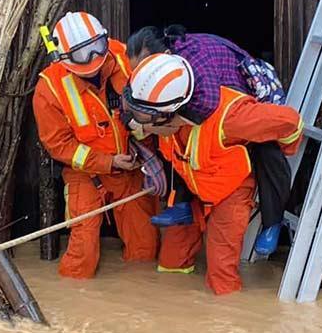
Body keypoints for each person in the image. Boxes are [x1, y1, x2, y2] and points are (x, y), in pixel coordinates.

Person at [125, 53, 303, 295]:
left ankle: (227, 324)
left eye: (146, 120)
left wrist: (280, 153)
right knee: (171, 262)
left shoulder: (232, 118)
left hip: (230, 192)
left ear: (173, 112)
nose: (142, 126)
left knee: (221, 273)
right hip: (194, 188)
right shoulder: (167, 112)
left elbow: (290, 121)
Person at [127, 25, 291, 256]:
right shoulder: (159, 73)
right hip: (207, 104)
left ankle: (272, 221)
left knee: (268, 149)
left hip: (246, 94)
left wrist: (163, 123)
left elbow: (206, 106)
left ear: (163, 57)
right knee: (180, 148)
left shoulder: (194, 62)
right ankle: (182, 203)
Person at [32, 11, 160, 279]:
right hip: (85, 175)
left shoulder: (125, 58)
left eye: (96, 48)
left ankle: (143, 306)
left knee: (145, 249)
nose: (92, 58)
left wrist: (143, 146)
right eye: (82, 54)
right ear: (65, 58)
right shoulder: (49, 89)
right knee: (83, 253)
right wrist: (107, 162)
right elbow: (59, 146)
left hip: (130, 167)